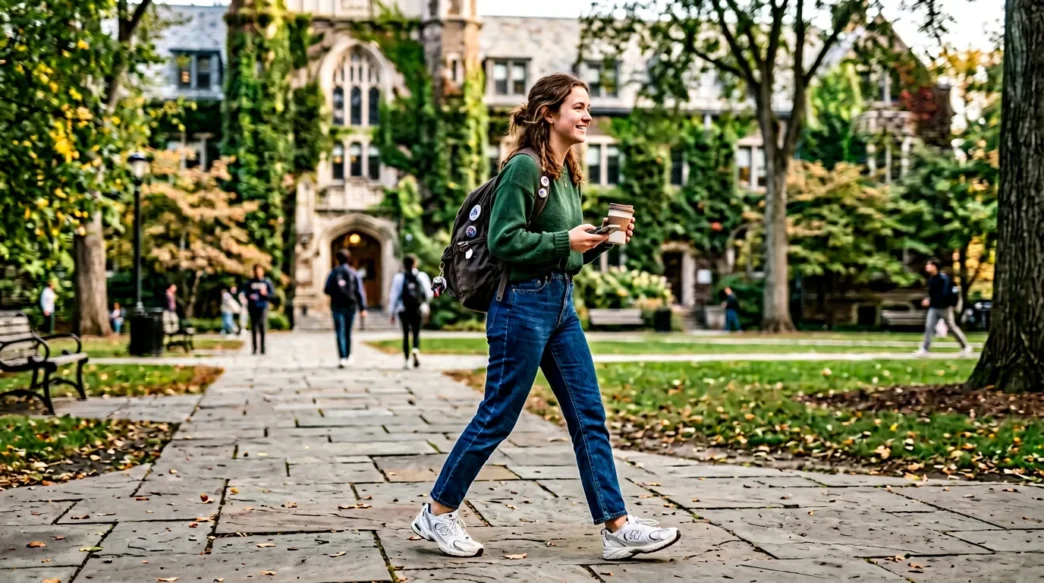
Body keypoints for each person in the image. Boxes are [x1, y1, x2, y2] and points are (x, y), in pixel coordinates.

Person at [411, 74, 679, 561]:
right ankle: (437, 511)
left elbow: (564, 255)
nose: (588, 116)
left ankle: (616, 526)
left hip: (560, 305)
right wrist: (564, 242)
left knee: (588, 414)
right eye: (578, 107)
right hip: (520, 305)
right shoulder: (523, 168)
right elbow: (504, 242)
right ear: (548, 114)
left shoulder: (568, 172)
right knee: (498, 416)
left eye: (588, 106)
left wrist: (595, 242)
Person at [914, 258, 972, 356]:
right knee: (929, 327)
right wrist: (928, 299)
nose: (926, 267)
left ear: (934, 267)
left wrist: (931, 300)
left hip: (944, 307)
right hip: (934, 307)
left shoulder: (943, 279)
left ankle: (965, 347)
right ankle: (924, 349)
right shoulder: (931, 279)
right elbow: (933, 293)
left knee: (952, 327)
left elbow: (944, 294)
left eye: (929, 265)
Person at [324, 249, 368, 368]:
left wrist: (336, 292)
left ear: (337, 259)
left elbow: (326, 289)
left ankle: (342, 357)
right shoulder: (354, 273)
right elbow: (359, 291)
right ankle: (349, 355)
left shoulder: (333, 273)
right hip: (351, 305)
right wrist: (363, 308)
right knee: (348, 332)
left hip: (337, 305)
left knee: (339, 332)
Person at [388, 255, 432, 370]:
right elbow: (428, 294)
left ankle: (407, 360)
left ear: (403, 264)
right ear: (415, 263)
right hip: (418, 309)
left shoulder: (399, 277)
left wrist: (391, 312)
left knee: (406, 334)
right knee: (416, 333)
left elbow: (394, 295)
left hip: (403, 309)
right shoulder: (422, 276)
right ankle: (415, 349)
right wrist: (426, 306)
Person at [245, 265, 275, 355]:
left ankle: (262, 348)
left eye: (259, 271)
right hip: (253, 306)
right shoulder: (250, 283)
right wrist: (250, 296)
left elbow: (272, 294)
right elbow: (245, 293)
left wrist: (265, 294)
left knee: (262, 327)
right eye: (256, 271)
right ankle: (254, 348)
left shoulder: (266, 282)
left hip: (263, 306)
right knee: (253, 328)